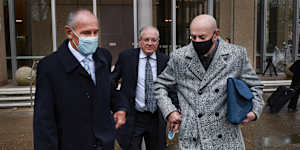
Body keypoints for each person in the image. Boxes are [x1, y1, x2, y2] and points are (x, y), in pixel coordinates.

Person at [154, 14, 264, 150]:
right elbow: (159, 85)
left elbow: (255, 85)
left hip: (226, 137)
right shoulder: (179, 57)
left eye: (202, 37)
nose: (197, 41)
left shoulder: (236, 55)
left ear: (216, 34)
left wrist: (254, 112)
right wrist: (170, 111)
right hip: (192, 138)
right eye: (193, 37)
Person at [33, 9, 128, 150]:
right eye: (86, 33)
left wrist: (120, 108)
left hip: (104, 142)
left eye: (95, 32)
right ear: (69, 32)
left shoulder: (104, 57)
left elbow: (108, 89)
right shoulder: (49, 67)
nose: (92, 37)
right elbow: (44, 120)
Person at [112, 26, 179, 150]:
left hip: (156, 118)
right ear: (139, 41)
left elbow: (172, 88)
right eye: (146, 39)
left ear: (158, 42)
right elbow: (112, 82)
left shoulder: (165, 60)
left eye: (153, 40)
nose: (149, 43)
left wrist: (174, 110)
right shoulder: (126, 57)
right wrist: (117, 105)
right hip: (133, 116)